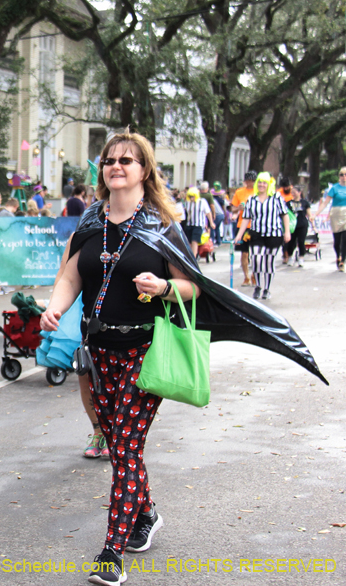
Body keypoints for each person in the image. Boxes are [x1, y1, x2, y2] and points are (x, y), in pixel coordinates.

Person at [39, 132, 325, 586]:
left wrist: (166, 287)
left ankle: (111, 553)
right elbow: (70, 275)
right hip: (99, 353)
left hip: (145, 353)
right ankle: (146, 514)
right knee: (118, 446)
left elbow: (194, 287)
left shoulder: (160, 226)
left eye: (127, 160)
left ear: (144, 170)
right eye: (109, 160)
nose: (116, 166)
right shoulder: (91, 221)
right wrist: (55, 307)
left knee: (127, 446)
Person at [234, 172, 290, 299]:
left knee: (269, 262)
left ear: (269, 184)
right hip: (257, 234)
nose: (261, 185)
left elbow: (285, 215)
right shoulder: (252, 200)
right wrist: (239, 235)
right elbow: (246, 218)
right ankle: (258, 286)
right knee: (256, 260)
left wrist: (287, 232)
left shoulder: (276, 198)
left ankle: (267, 288)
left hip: (274, 234)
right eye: (259, 182)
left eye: (264, 182)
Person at [316, 166, 346, 272]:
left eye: (345, 174)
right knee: (337, 241)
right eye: (341, 175)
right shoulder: (335, 188)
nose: (343, 177)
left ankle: (343, 260)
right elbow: (325, 203)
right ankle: (338, 255)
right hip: (336, 215)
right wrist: (316, 214)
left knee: (345, 239)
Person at [230, 171, 257, 286]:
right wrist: (238, 209)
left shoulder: (259, 192)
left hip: (256, 226)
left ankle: (254, 275)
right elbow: (232, 208)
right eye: (248, 181)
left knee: (256, 253)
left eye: (252, 181)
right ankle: (246, 277)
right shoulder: (240, 192)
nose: (249, 183)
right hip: (243, 226)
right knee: (244, 253)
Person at [183, 187, 214, 259]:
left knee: (195, 240)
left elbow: (208, 212)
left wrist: (211, 222)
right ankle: (190, 256)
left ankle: (193, 257)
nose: (191, 198)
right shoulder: (187, 202)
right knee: (189, 241)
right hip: (189, 224)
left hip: (198, 225)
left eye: (192, 196)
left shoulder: (202, 202)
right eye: (190, 196)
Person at [285, 186, 311, 267]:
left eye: (295, 192)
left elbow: (309, 214)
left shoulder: (305, 202)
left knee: (301, 241)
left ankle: (301, 258)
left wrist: (313, 223)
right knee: (291, 242)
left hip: (302, 224)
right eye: (292, 192)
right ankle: (290, 257)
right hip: (292, 225)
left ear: (299, 192)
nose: (293, 194)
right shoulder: (288, 203)